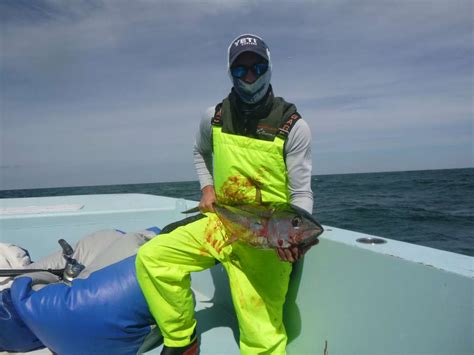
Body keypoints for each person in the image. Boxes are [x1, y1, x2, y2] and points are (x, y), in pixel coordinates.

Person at [136, 34, 316, 355]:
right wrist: (207, 187)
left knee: (263, 339)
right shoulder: (214, 117)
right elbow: (199, 151)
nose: (250, 77)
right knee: (154, 258)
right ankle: (181, 341)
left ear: (269, 68)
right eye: (240, 70)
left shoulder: (292, 126)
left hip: (266, 244)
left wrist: (295, 239)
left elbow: (301, 193)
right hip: (222, 225)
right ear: (230, 73)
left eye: (257, 67)